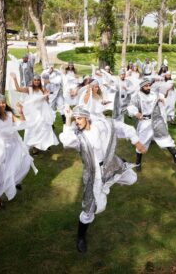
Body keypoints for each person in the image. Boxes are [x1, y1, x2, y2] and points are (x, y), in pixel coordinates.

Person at [59, 106, 146, 253]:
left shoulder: (102, 125)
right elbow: (66, 141)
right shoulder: (77, 136)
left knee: (132, 178)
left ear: (87, 118)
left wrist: (136, 141)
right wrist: (68, 119)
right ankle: (81, 237)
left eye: (79, 118)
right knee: (90, 209)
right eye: (75, 119)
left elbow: (124, 127)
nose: (77, 122)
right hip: (94, 174)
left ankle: (113, 177)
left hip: (111, 164)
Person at [0, 94, 38, 209]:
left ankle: (10, 184)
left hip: (12, 148)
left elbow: (22, 124)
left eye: (3, 102)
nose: (1, 105)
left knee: (21, 164)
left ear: (5, 103)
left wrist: (21, 112)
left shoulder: (9, 115)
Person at [127, 78, 176, 170]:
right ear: (141, 87)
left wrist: (162, 98)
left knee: (166, 138)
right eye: (146, 86)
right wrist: (136, 113)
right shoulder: (137, 96)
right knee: (142, 143)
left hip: (157, 121)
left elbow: (161, 96)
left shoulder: (154, 94)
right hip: (145, 122)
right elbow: (130, 106)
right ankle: (138, 163)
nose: (148, 87)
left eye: (149, 85)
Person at [10, 73, 59, 153]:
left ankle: (45, 144)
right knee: (33, 129)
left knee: (43, 128)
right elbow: (18, 89)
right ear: (33, 81)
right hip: (32, 113)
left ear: (40, 81)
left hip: (41, 112)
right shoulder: (29, 89)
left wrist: (46, 97)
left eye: (38, 80)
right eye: (35, 80)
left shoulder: (43, 89)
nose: (36, 82)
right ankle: (34, 148)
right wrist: (15, 79)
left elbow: (46, 101)